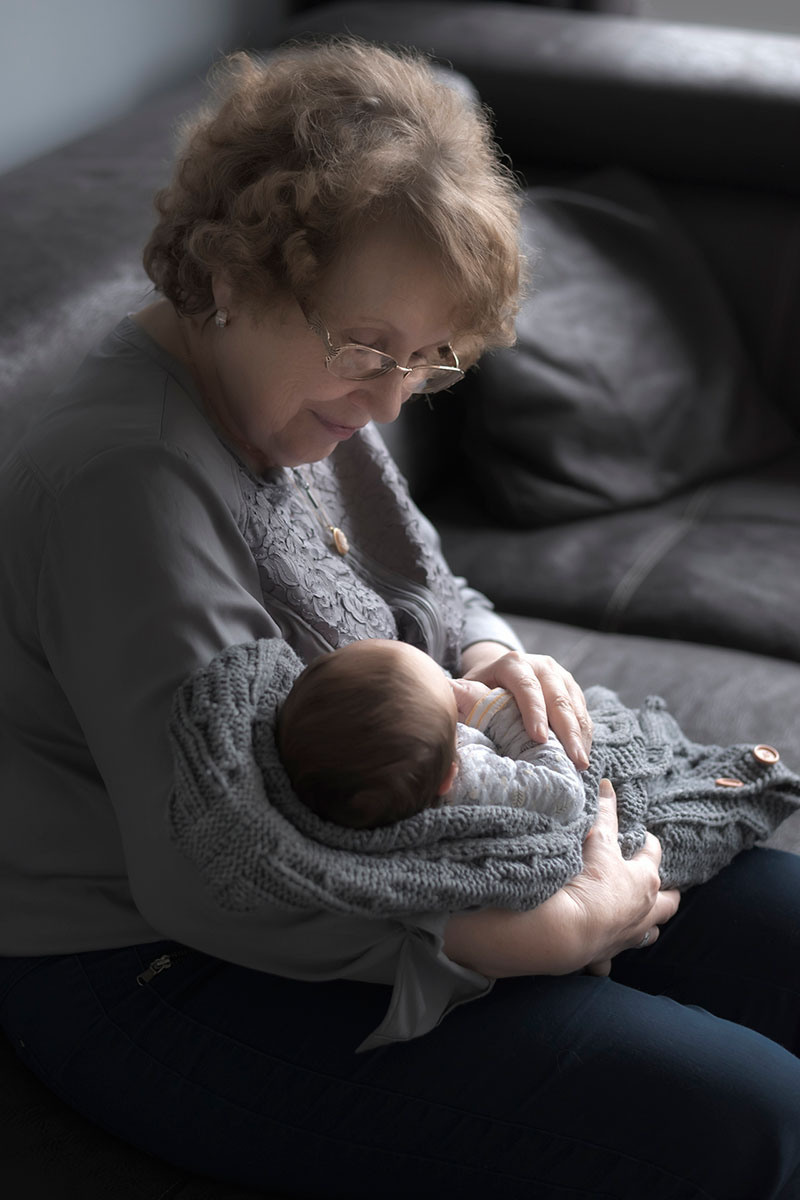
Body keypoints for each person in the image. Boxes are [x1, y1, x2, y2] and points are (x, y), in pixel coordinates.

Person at [1, 35, 799, 1200]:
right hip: (158, 965)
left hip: (384, 834)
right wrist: (524, 940)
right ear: (229, 277)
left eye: (426, 361)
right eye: (367, 347)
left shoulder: (308, 400)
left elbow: (425, 589)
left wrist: (490, 654)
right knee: (753, 1125)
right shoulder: (128, 483)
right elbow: (217, 868)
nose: (385, 400)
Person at [277, 636, 586, 828]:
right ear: (448, 778)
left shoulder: (355, 774)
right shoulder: (472, 781)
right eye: (447, 693)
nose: (456, 683)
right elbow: (566, 792)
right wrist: (496, 710)